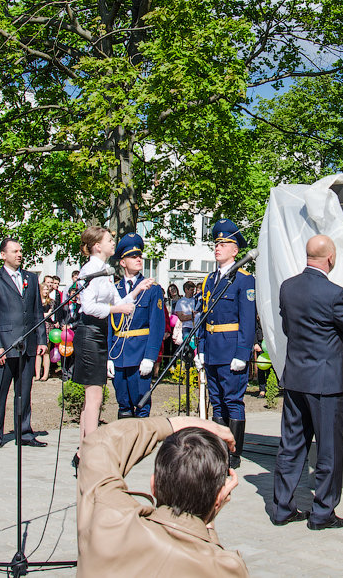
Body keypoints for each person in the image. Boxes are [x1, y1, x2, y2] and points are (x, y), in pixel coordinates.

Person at [271, 234, 343, 529]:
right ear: (330, 257)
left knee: (291, 446)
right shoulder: (335, 294)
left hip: (295, 379)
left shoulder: (288, 288)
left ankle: (282, 508)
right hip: (325, 384)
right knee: (328, 449)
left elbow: (289, 328)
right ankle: (322, 512)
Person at [76, 415, 246, 577]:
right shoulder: (227, 568)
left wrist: (173, 424)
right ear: (219, 498)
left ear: (153, 485)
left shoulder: (107, 519)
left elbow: (99, 443)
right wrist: (209, 523)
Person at [73, 226, 153, 468]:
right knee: (94, 396)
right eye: (109, 240)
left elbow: (119, 301)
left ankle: (82, 451)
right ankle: (89, 452)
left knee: (93, 398)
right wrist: (116, 310)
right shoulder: (91, 270)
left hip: (97, 334)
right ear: (98, 246)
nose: (112, 243)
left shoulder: (105, 272)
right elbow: (88, 307)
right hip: (89, 334)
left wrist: (137, 290)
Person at [195, 219, 256, 468]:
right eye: (216, 243)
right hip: (211, 348)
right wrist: (200, 348)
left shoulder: (243, 279)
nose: (218, 247)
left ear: (235, 250)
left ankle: (233, 452)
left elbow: (248, 320)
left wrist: (242, 353)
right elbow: (202, 316)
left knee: (233, 401)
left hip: (231, 349)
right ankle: (219, 449)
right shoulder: (210, 280)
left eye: (224, 243)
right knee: (217, 400)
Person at [0, 238, 48, 451]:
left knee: (24, 392)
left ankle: (24, 432)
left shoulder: (30, 278)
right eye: (14, 251)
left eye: (21, 251)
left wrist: (41, 339)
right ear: (3, 254)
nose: (19, 254)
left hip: (27, 344)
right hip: (5, 345)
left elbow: (37, 311)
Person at [107, 233, 166, 418]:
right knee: (123, 403)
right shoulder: (114, 289)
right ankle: (125, 446)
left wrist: (150, 357)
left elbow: (157, 325)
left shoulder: (152, 288)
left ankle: (141, 447)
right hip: (119, 353)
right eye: (133, 257)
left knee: (141, 403)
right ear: (122, 262)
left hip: (140, 353)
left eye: (139, 256)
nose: (138, 259)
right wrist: (108, 356)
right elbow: (109, 325)